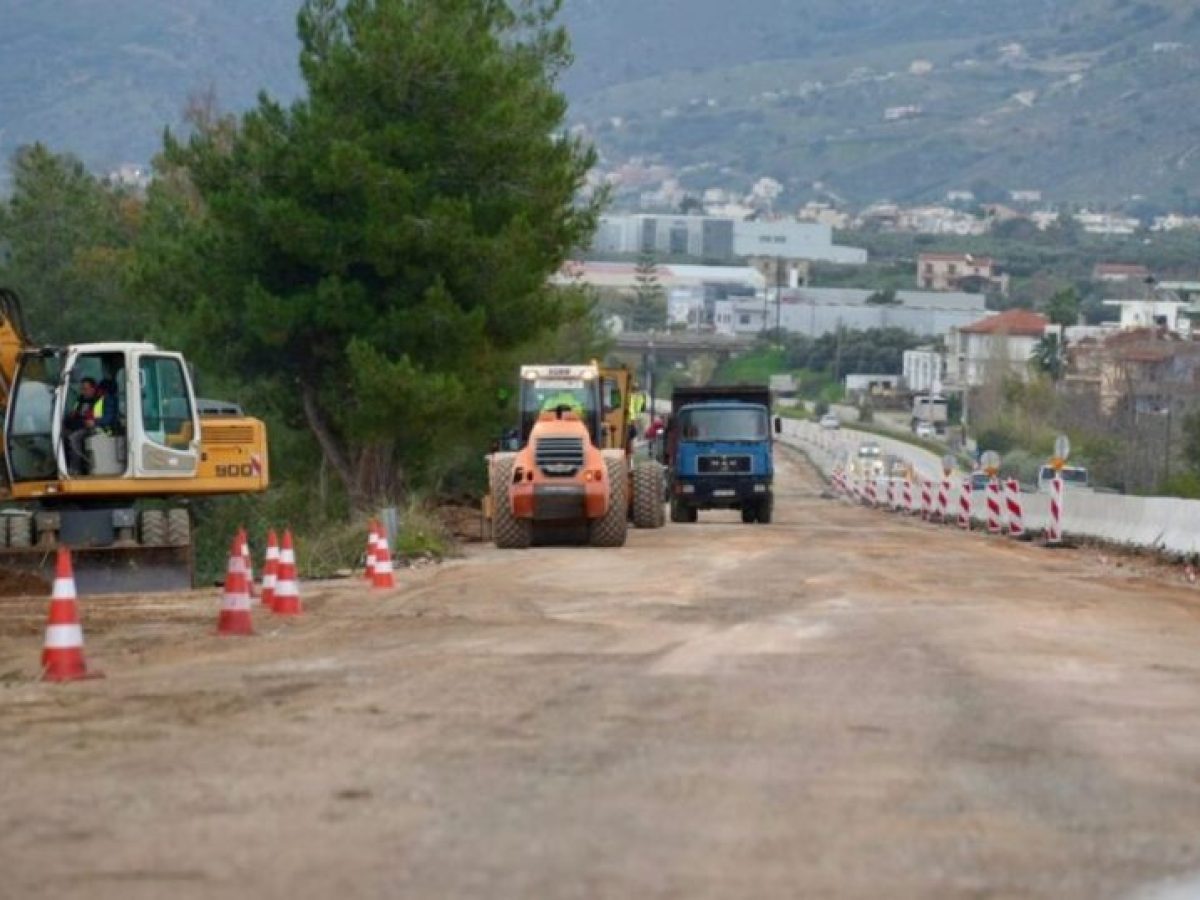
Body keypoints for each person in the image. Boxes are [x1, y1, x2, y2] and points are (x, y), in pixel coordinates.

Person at [64, 378, 118, 475]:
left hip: (101, 429)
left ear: (93, 389)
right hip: (82, 426)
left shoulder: (105, 399)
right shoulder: (81, 399)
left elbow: (109, 417)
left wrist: (95, 422)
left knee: (74, 438)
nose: (83, 391)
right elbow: (75, 413)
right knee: (64, 435)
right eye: (82, 389)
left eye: (85, 389)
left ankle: (76, 470)